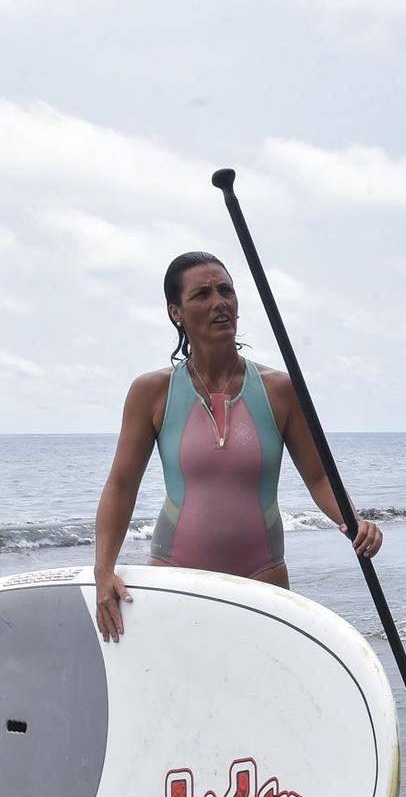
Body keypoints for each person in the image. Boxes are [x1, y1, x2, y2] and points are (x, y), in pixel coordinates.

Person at [91, 251, 382, 641]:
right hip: (176, 574)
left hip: (262, 575)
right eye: (203, 295)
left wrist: (353, 521)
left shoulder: (280, 390)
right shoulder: (152, 392)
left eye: (226, 290)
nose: (219, 303)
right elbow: (121, 485)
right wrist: (103, 571)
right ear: (176, 312)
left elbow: (317, 476)